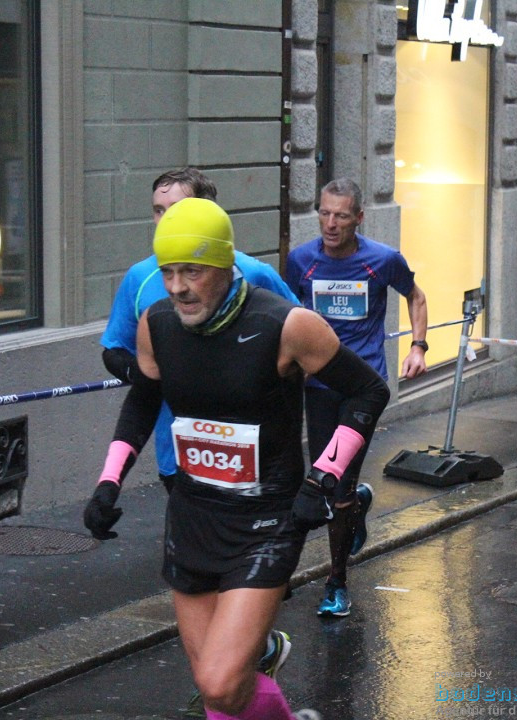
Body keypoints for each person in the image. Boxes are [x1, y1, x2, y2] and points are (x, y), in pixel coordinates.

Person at [84, 198, 389, 720]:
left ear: (226, 266)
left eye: (192, 271)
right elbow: (142, 400)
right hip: (193, 515)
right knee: (218, 695)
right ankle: (273, 677)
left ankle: (261, 654)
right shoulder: (155, 324)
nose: (177, 286)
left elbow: (367, 393)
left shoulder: (286, 325)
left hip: (266, 521)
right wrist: (108, 483)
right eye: (168, 272)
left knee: (220, 682)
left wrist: (324, 477)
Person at [98, 168, 299, 717]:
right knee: (214, 669)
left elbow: (301, 347)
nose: (165, 223)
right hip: (181, 462)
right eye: (157, 212)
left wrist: (323, 473)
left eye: (176, 210)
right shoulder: (146, 280)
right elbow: (120, 354)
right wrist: (160, 371)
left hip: (262, 491)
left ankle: (243, 656)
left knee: (218, 675)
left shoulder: (255, 275)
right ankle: (247, 663)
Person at [285, 177, 428, 618]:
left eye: (341, 215)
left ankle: (337, 582)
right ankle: (355, 505)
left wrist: (418, 346)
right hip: (318, 386)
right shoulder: (300, 261)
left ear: (358, 218)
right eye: (324, 214)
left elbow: (415, 297)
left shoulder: (382, 261)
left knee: (336, 484)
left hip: (362, 390)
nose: (330, 223)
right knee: (319, 481)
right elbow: (287, 313)